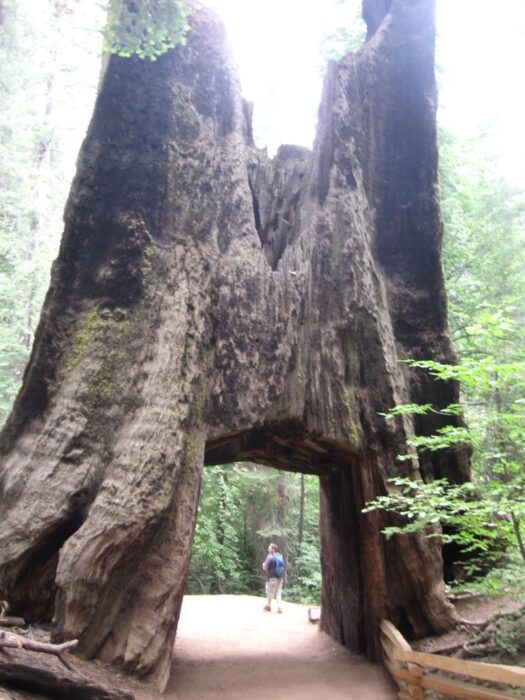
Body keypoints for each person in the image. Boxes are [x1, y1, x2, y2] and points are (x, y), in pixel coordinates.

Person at [262, 542, 284, 613]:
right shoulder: (280, 557)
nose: (268, 548)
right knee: (278, 592)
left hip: (272, 578)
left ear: (273, 549)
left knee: (269, 592)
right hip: (280, 578)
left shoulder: (270, 557)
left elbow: (265, 567)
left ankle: (268, 606)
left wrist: (263, 565)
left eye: (270, 547)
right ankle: (279, 607)